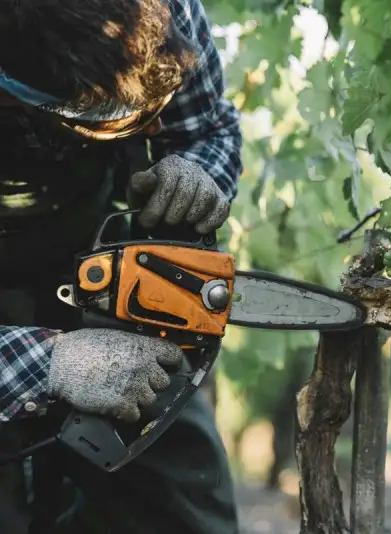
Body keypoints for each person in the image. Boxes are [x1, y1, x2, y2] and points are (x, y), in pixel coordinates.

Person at [0, 0, 242, 532]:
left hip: (92, 255)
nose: (153, 125)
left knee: (181, 499)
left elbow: (209, 127)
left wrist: (200, 172)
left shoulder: (169, 10)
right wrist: (46, 362)